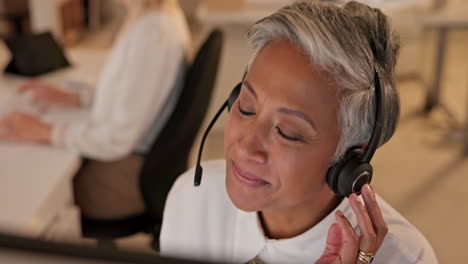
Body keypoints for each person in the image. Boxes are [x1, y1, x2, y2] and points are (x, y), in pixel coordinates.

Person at [159, 1, 438, 263]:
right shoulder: (192, 199)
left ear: (350, 159)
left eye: (288, 133)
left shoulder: (406, 257)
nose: (245, 147)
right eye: (245, 108)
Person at [0, 0, 191, 219]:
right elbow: (130, 91)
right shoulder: (148, 18)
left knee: (24, 187)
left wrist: (43, 131)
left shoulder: (154, 33)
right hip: (131, 160)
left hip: (125, 177)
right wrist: (75, 98)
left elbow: (117, 138)